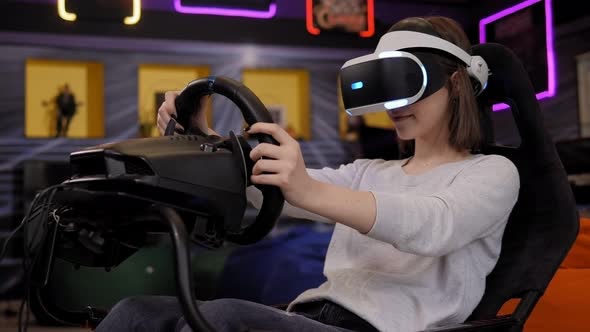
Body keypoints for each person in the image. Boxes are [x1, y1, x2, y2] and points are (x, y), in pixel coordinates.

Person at [96, 16, 520, 332]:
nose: (393, 105)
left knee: (225, 318)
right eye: (385, 88)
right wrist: (200, 138)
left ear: (459, 85)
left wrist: (307, 189)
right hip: (313, 315)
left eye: (407, 82)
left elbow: (433, 225)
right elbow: (268, 191)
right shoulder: (369, 172)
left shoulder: (492, 172)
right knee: (134, 313)